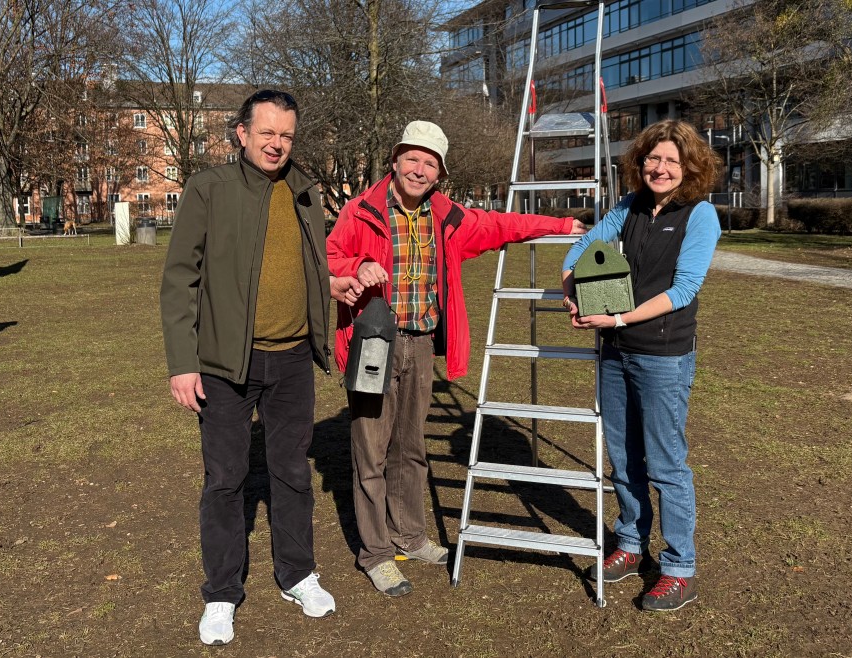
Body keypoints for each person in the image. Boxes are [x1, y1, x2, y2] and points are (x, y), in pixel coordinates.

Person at [326, 120, 587, 597]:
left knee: (410, 447)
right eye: (413, 158)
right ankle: (377, 553)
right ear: (395, 160)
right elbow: (328, 256)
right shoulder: (359, 210)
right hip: (373, 343)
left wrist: (560, 225)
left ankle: (409, 536)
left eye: (430, 163)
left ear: (439, 173)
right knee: (371, 451)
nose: (419, 170)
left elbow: (500, 225)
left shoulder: (447, 217)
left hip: (421, 343)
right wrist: (355, 267)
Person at [160, 89, 363, 646]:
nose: (277, 144)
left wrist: (330, 285)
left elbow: (302, 264)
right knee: (225, 479)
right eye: (267, 132)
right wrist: (183, 363)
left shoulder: (304, 190)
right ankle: (222, 592)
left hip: (294, 358)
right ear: (241, 133)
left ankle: (298, 574)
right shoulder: (209, 189)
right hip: (227, 362)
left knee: (292, 472)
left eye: (287, 135)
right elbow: (180, 279)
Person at [561, 119, 721, 612]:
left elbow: (684, 290)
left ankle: (679, 569)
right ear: (640, 162)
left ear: (690, 166)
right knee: (623, 458)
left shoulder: (700, 216)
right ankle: (630, 545)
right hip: (615, 352)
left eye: (672, 160)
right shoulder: (627, 207)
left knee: (667, 464)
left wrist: (620, 316)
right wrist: (572, 288)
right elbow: (581, 249)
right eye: (654, 158)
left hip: (663, 356)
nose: (662, 168)